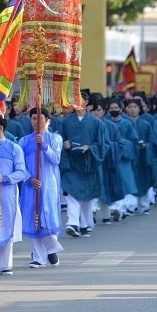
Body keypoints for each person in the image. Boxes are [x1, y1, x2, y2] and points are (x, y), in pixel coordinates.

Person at [0, 113, 29, 275]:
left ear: (0, 128)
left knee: (7, 223)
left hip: (7, 192)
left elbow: (22, 172)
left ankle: (4, 264)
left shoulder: (14, 148)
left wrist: (5, 178)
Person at [19, 107, 64, 268]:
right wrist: (29, 178)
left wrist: (44, 146)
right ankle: (38, 257)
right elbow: (20, 165)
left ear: (48, 121)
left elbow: (56, 159)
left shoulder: (55, 138)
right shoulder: (24, 141)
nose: (36, 121)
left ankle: (51, 248)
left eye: (40, 118)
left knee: (47, 216)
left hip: (49, 184)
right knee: (32, 218)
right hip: (31, 185)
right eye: (33, 118)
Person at [60, 91, 105, 237]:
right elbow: (60, 140)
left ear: (87, 102)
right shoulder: (65, 122)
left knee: (86, 196)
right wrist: (64, 145)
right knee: (72, 193)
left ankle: (85, 224)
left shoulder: (96, 123)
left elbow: (101, 145)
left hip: (88, 163)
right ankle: (72, 223)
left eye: (81, 99)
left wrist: (90, 148)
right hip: (72, 163)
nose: (78, 102)